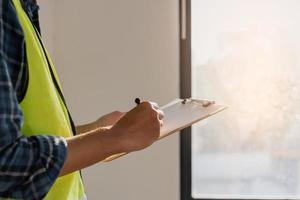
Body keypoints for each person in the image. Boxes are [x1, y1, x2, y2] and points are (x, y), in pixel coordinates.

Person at [0, 0, 164, 199]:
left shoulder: (22, 9)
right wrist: (114, 137)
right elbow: (6, 164)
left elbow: (31, 136)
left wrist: (99, 129)